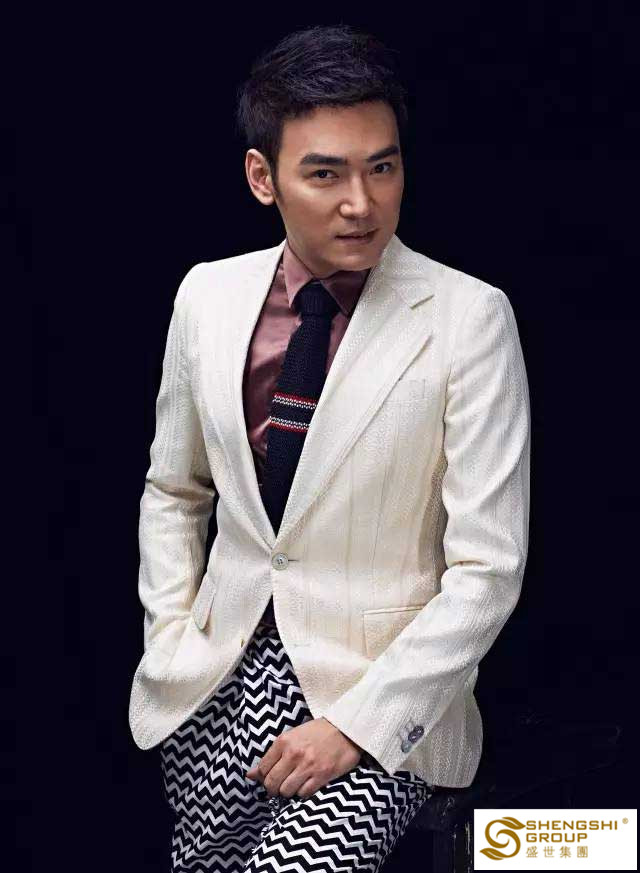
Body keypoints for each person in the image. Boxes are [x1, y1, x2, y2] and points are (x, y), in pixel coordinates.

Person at [128, 23, 531, 872]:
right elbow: (175, 491)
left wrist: (356, 726)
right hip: (212, 687)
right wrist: (169, 636)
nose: (362, 202)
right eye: (325, 173)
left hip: (381, 700)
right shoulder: (207, 296)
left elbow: (489, 569)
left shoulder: (469, 318)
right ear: (262, 177)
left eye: (382, 167)